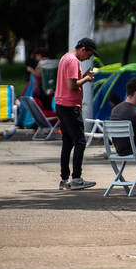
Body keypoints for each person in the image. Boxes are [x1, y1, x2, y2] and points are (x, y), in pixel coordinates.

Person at [55, 37, 97, 191]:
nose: (89, 58)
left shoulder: (65, 57)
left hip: (61, 105)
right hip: (70, 106)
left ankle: (64, 179)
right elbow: (72, 85)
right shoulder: (73, 61)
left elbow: (70, 81)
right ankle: (77, 178)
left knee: (68, 142)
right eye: (89, 55)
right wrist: (86, 78)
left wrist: (82, 76)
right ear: (83, 49)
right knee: (80, 141)